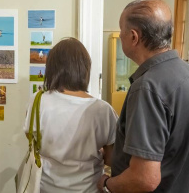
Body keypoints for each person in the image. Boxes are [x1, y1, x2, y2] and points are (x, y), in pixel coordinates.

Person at [97, 0, 189, 193]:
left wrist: (107, 185)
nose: (120, 35)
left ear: (133, 37)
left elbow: (144, 178)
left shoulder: (148, 88)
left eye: (121, 30)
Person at [23, 37, 118, 193]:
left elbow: (33, 140)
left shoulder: (37, 101)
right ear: (85, 69)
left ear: (52, 68)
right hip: (89, 189)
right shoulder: (103, 110)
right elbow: (112, 159)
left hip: (45, 188)